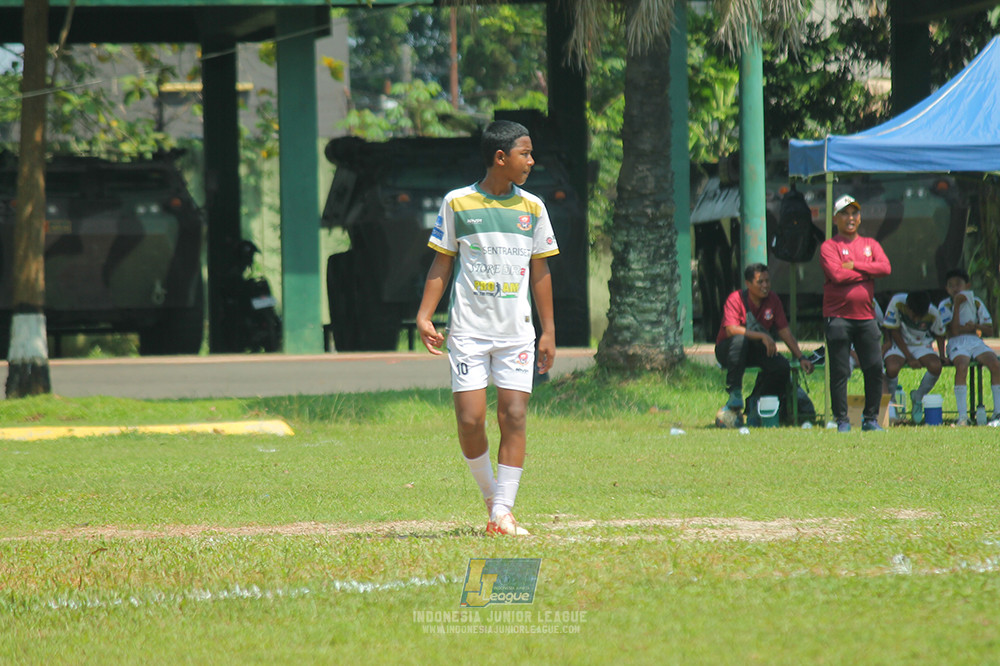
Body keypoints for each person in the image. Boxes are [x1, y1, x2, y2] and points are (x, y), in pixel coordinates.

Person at [414, 120, 558, 537]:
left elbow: (541, 271)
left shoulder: (533, 208)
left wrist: (547, 331)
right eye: (525, 154)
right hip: (469, 334)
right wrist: (425, 315)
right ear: (500, 158)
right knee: (471, 419)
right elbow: (442, 262)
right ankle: (493, 501)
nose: (531, 161)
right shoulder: (457, 203)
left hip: (517, 333)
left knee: (513, 414)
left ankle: (503, 511)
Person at [820, 194, 892, 432]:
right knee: (840, 371)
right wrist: (869, 272)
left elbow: (885, 267)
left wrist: (857, 266)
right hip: (839, 318)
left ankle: (870, 419)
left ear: (859, 218)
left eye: (854, 213)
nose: (850, 218)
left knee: (873, 367)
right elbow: (837, 275)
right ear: (835, 218)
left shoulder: (871, 244)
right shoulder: (829, 247)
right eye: (844, 213)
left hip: (866, 317)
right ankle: (842, 420)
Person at [715, 262, 814, 425]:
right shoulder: (736, 298)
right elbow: (731, 330)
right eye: (760, 282)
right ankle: (735, 393)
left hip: (755, 351)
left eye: (767, 281)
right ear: (748, 284)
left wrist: (801, 356)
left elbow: (784, 331)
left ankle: (758, 404)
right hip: (729, 350)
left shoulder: (773, 300)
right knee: (740, 340)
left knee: (781, 367)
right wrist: (761, 336)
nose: (765, 286)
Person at [938, 268, 1000, 425]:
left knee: (995, 364)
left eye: (958, 284)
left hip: (975, 341)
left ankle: (997, 412)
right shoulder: (945, 305)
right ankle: (963, 416)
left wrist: (975, 326)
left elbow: (989, 329)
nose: (955, 288)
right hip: (956, 343)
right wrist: (957, 306)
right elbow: (954, 331)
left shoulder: (976, 302)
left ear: (967, 285)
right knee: (962, 365)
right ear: (946, 289)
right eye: (951, 285)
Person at [881, 290, 947, 424]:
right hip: (898, 344)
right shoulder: (897, 302)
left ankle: (918, 396)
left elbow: (940, 334)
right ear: (907, 307)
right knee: (892, 368)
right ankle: (892, 403)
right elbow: (894, 330)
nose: (916, 319)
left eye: (920, 316)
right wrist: (909, 357)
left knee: (936, 366)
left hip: (921, 344)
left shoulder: (933, 313)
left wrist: (942, 355)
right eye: (913, 315)